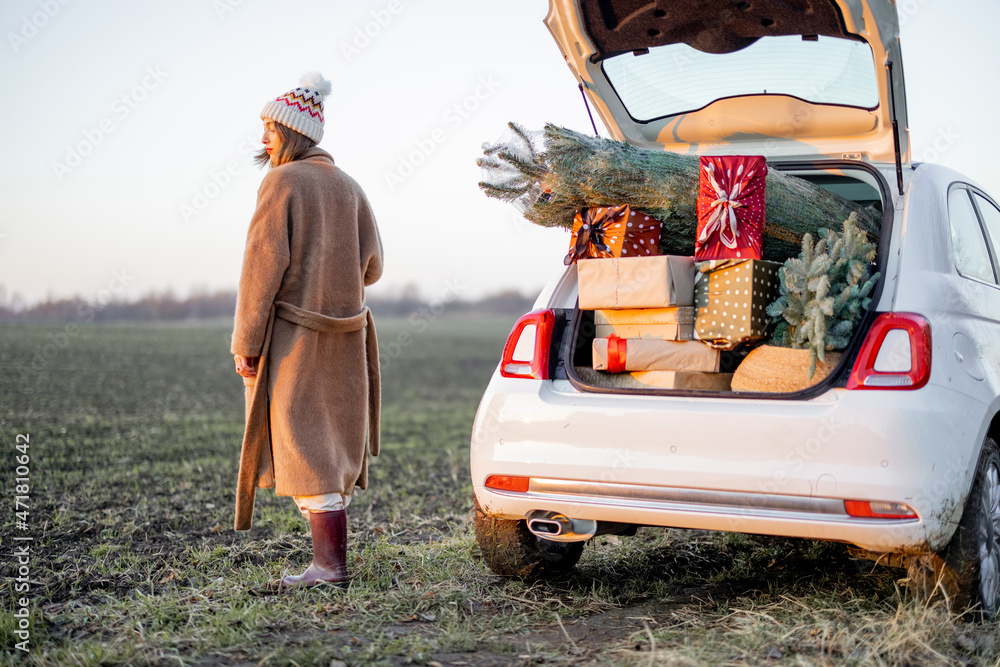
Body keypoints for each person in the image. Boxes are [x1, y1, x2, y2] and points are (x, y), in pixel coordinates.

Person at [230, 72, 383, 588]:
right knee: (328, 445)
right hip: (346, 336)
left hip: (294, 340)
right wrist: (335, 285)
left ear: (291, 132)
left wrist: (246, 344)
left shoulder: (282, 182)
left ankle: (327, 567)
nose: (264, 138)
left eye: (270, 129)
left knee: (301, 444)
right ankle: (329, 562)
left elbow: (260, 271)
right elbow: (374, 267)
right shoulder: (350, 186)